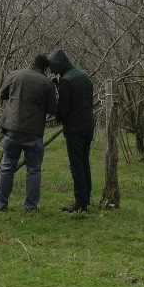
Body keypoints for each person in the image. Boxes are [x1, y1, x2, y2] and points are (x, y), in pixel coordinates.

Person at [0, 54, 57, 212]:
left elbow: (2, 95)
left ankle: (0, 205)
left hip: (12, 128)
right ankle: (30, 206)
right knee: (33, 170)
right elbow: (53, 109)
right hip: (34, 131)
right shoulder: (47, 83)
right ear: (45, 68)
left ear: (31, 62)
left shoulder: (15, 75)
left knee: (7, 167)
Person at [48, 47, 95, 212]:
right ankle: (86, 197)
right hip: (88, 125)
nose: (51, 70)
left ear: (58, 65)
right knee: (84, 161)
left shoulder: (66, 81)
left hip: (75, 128)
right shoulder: (83, 75)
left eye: (52, 67)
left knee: (76, 165)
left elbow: (63, 110)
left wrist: (58, 117)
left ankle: (80, 203)